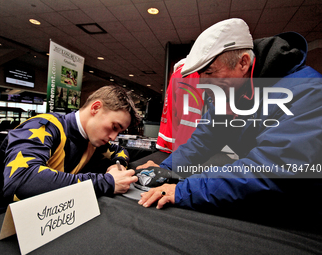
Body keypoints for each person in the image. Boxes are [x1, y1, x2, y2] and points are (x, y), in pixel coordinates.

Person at [136, 18, 322, 217]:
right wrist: (165, 168)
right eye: (201, 75)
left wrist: (184, 190)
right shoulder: (231, 92)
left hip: (303, 210)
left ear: (243, 62)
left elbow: (273, 169)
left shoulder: (308, 91)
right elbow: (202, 140)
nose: (203, 84)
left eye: (210, 72)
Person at [0, 85, 140, 214]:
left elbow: (120, 151)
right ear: (96, 108)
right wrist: (106, 182)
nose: (113, 136)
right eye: (114, 127)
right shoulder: (45, 126)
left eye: (119, 132)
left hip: (38, 213)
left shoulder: (93, 139)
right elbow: (21, 180)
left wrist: (118, 165)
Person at [157, 59, 204, 153]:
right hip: (179, 147)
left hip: (168, 139)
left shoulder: (179, 72)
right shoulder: (193, 74)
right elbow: (190, 115)